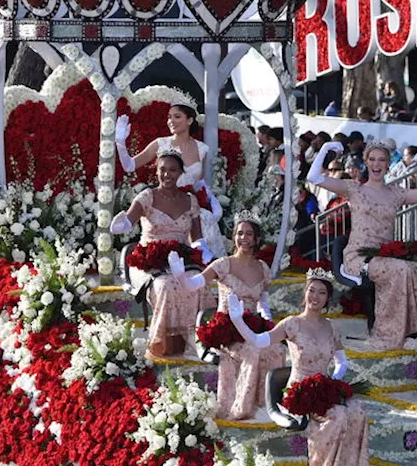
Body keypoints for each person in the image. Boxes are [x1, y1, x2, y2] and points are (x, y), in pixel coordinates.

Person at [228, 271, 372, 466]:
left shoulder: (331, 326)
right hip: (299, 390)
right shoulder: (292, 324)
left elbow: (341, 361)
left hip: (323, 387)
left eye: (322, 292)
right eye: (311, 290)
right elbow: (259, 341)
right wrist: (238, 321)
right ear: (305, 293)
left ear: (327, 298)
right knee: (337, 414)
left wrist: (335, 379)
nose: (315, 296)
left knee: (357, 409)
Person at [307, 138, 417, 351]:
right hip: (358, 257)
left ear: (388, 164)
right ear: (366, 162)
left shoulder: (396, 193)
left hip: (384, 255)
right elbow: (313, 177)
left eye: (382, 159)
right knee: (399, 269)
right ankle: (387, 334)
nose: (376, 164)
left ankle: (416, 331)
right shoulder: (354, 189)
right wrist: (326, 149)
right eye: (372, 159)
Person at [171, 217, 286, 421]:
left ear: (257, 239)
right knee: (251, 350)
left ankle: (265, 403)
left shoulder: (263, 268)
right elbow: (192, 285)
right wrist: (181, 276)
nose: (243, 238)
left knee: (277, 350)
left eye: (248, 234)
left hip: (252, 327)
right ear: (234, 237)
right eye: (239, 233)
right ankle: (240, 407)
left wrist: (268, 325)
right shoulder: (223, 264)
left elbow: (263, 304)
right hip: (227, 330)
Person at [110, 153, 209, 359]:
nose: (167, 174)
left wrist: (204, 251)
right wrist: (121, 225)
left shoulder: (190, 200)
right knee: (165, 285)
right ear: (156, 171)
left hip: (181, 260)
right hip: (148, 260)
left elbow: (196, 236)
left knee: (198, 284)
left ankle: (194, 341)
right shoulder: (147, 196)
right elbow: (129, 220)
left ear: (181, 173)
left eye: (172, 170)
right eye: (162, 169)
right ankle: (163, 343)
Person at [115, 104, 225, 257]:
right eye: (169, 117)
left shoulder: (202, 149)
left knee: (204, 221)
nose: (171, 121)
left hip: (189, 204)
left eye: (177, 116)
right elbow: (129, 165)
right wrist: (120, 142)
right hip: (164, 203)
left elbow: (200, 183)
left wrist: (212, 201)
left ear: (190, 120)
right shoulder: (160, 143)